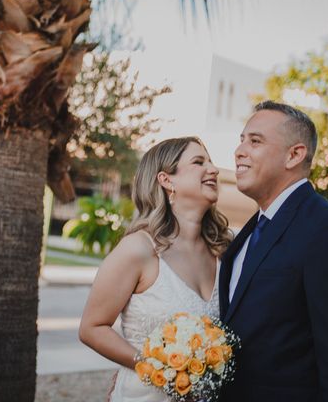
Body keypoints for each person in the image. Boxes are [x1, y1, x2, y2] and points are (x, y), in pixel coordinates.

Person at [219, 100, 328, 401]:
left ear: (294, 154)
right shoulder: (251, 230)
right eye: (241, 140)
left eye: (255, 141)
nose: (240, 151)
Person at [79, 136, 233, 401]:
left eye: (211, 161)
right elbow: (92, 328)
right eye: (199, 162)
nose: (214, 170)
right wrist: (156, 369)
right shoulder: (138, 250)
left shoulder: (224, 250)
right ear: (166, 180)